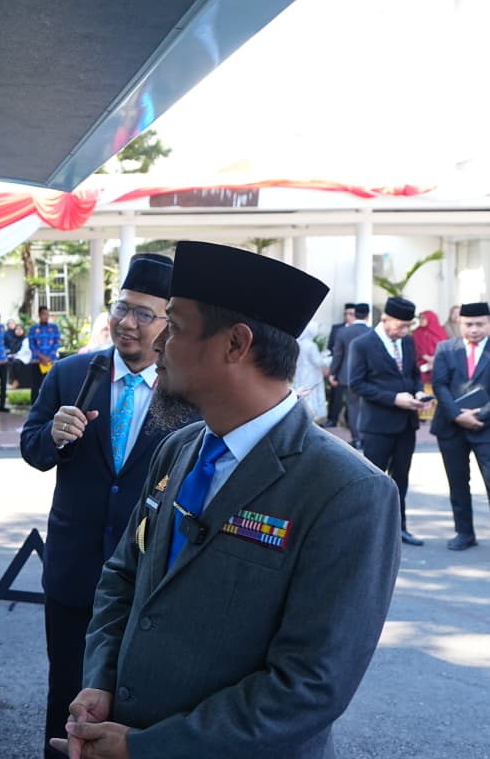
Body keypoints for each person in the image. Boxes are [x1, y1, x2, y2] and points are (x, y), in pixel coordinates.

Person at [61, 241, 400, 759]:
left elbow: (308, 686)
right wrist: (101, 680)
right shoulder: (179, 449)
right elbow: (124, 576)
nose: (157, 343)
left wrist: (151, 748)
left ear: (236, 344)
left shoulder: (348, 491)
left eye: (174, 326)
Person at [21, 253, 191, 759]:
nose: (127, 323)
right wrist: (53, 436)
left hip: (147, 575)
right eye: (121, 308)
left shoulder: (185, 389)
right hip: (74, 570)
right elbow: (33, 447)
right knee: (67, 693)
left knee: (136, 702)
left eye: (144, 314)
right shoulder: (72, 372)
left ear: (168, 325)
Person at [349, 296, 428, 546]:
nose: (404, 331)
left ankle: (398, 529)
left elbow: (414, 374)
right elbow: (356, 384)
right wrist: (394, 399)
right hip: (377, 425)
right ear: (385, 319)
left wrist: (418, 393)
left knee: (401, 478)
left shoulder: (408, 341)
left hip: (406, 423)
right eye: (400, 326)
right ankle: (367, 532)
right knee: (373, 480)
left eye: (408, 326)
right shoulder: (362, 344)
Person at [430, 301, 490, 551]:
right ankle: (464, 533)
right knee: (457, 482)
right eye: (469, 324)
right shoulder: (445, 348)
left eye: (480, 324)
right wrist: (457, 415)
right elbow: (439, 384)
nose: (474, 329)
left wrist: (482, 414)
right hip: (451, 428)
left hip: (486, 427)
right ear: (459, 322)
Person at [330, 302, 372, 447]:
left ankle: (357, 438)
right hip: (369, 375)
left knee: (353, 406)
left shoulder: (343, 332)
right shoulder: (372, 332)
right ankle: (367, 436)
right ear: (367, 315)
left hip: (348, 375)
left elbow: (338, 355)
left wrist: (333, 373)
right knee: (368, 406)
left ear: (355, 315)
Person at [323, 303, 356, 427]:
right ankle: (332, 420)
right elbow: (331, 347)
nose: (348, 316)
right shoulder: (337, 328)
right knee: (336, 396)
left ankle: (349, 421)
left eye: (351, 314)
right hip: (339, 368)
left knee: (353, 399)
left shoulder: (359, 329)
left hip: (354, 369)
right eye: (346, 313)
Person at [293, 320, 328, 422]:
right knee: (311, 393)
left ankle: (301, 415)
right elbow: (318, 361)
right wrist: (327, 360)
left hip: (300, 372)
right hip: (311, 373)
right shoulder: (311, 345)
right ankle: (312, 416)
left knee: (302, 392)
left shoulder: (298, 343)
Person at [29, 307, 62, 404]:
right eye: (44, 314)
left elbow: (57, 342)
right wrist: (41, 356)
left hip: (50, 361)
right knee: (35, 385)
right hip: (37, 361)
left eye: (47, 314)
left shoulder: (54, 328)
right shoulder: (33, 329)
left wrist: (49, 357)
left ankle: (50, 406)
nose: (46, 316)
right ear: (39, 315)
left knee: (51, 385)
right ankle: (34, 406)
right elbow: (31, 344)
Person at [6, 319, 28, 389]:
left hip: (24, 357)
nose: (18, 331)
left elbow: (25, 350)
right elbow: (11, 349)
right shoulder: (13, 339)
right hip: (14, 356)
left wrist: (16, 355)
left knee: (16, 362)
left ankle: (16, 381)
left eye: (20, 329)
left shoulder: (25, 339)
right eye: (17, 329)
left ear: (23, 330)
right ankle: (10, 381)